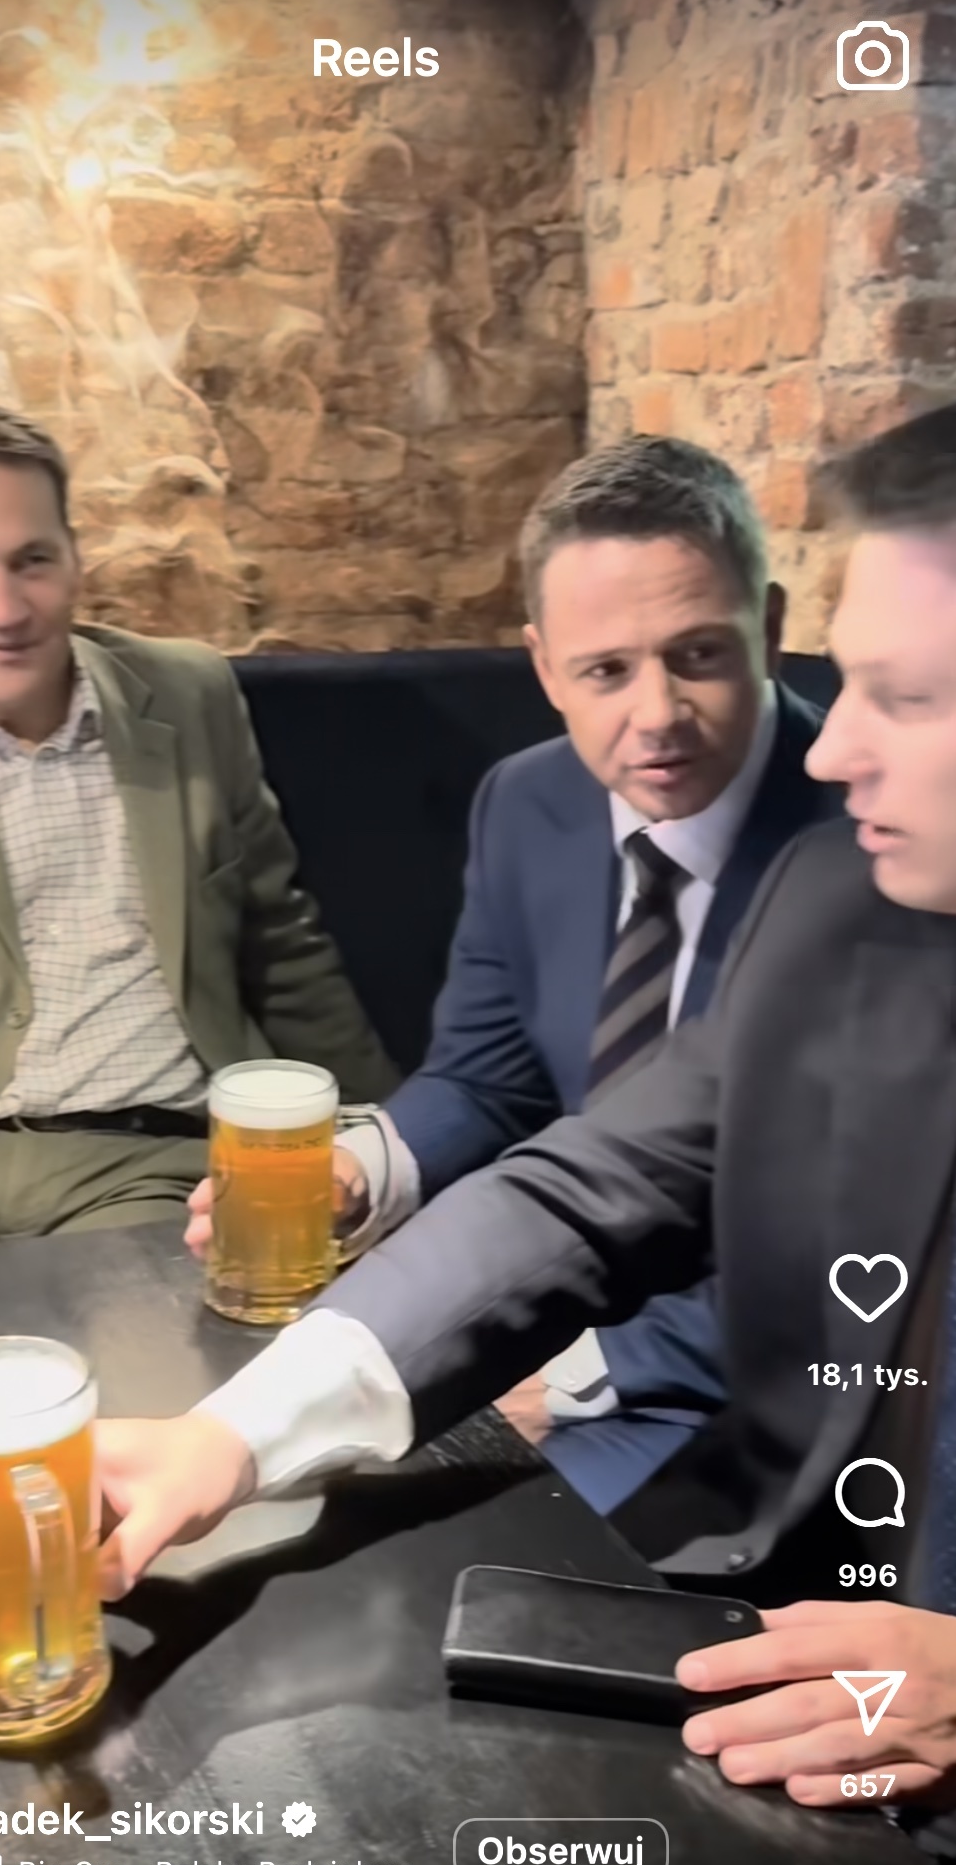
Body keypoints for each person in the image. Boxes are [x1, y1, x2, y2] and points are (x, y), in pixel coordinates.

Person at [91, 398, 956, 1817]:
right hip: (789, 1612)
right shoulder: (846, 901)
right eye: (844, 683)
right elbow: (590, 1184)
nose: (826, 749)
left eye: (906, 699)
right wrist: (230, 1438)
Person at [187, 439, 838, 1517]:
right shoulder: (529, 803)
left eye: (698, 655)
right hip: (549, 1302)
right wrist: (360, 1171)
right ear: (544, 668)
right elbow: (490, 1080)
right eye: (605, 671)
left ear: (768, 628)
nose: (656, 713)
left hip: (790, 1391)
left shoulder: (881, 849)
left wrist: (582, 1371)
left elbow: (852, 1249)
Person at [0, 400, 394, 1260]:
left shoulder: (189, 695)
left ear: (74, 556)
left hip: (185, 1153)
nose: (2, 608)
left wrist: (391, 1144)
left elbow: (283, 950)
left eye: (31, 560)